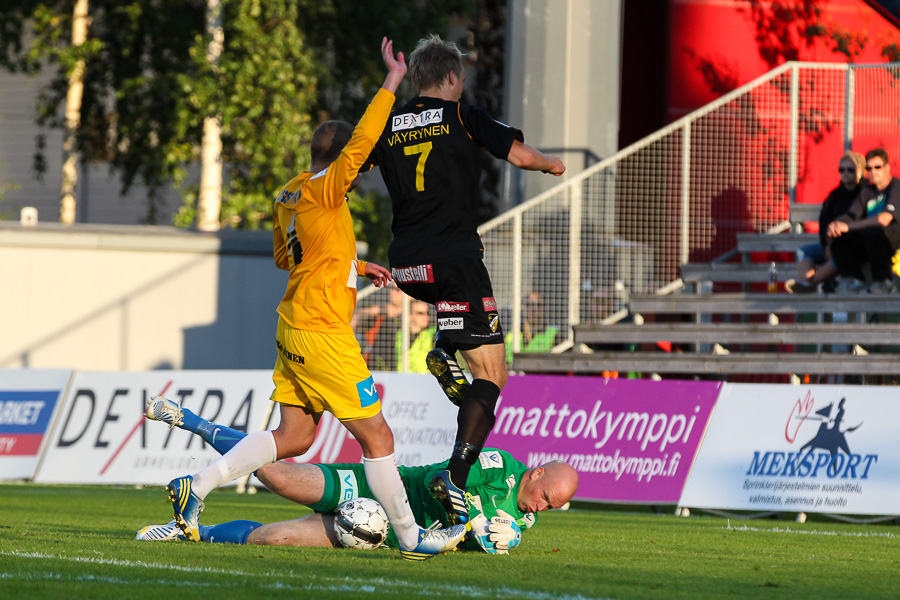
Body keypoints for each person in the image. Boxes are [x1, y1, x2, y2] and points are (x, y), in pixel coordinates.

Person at [155, 38, 466, 561]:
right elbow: (367, 135)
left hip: (293, 323)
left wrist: (349, 264)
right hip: (323, 331)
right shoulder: (328, 189)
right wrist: (392, 78)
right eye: (359, 166)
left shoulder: (291, 192)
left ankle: (196, 486)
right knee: (378, 435)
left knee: (293, 436)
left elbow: (287, 258)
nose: (363, 173)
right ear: (345, 160)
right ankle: (413, 537)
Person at [363, 34, 566, 525]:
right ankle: (455, 476)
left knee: (472, 353)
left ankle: (443, 345)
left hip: (407, 266)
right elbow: (519, 155)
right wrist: (552, 164)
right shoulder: (461, 115)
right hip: (453, 258)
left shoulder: (388, 121)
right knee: (494, 376)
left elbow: (353, 162)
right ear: (452, 77)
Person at [139, 403, 579, 554]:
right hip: (384, 489)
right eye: (544, 496)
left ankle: (192, 534)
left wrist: (482, 539)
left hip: (385, 532)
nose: (541, 507)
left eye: (550, 507)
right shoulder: (500, 464)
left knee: (271, 541)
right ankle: (190, 420)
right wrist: (476, 518)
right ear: (535, 473)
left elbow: (482, 541)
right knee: (275, 475)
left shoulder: (525, 519)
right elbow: (443, 481)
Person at [785, 151, 865, 294]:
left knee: (840, 255)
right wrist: (828, 244)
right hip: (832, 243)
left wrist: (835, 245)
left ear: (860, 172)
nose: (845, 173)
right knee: (804, 251)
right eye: (842, 170)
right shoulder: (835, 195)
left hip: (854, 248)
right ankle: (806, 282)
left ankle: (808, 284)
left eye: (850, 170)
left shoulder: (865, 193)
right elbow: (824, 221)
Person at [827, 148, 900, 293]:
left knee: (872, 232)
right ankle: (854, 279)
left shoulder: (896, 187)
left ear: (887, 167)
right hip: (870, 243)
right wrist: (835, 225)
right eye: (869, 168)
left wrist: (848, 227)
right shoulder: (868, 191)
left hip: (893, 241)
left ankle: (883, 282)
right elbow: (851, 215)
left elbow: (884, 219)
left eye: (877, 167)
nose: (873, 171)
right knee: (838, 237)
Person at [398, 299, 436, 372]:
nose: (425, 316)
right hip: (401, 379)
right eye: (420, 313)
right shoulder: (398, 334)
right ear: (409, 315)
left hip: (424, 380)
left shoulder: (433, 334)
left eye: (427, 313)